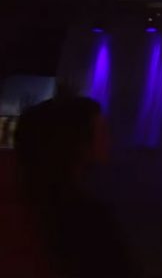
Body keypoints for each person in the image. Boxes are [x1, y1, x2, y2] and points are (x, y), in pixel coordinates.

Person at [13, 96, 140, 277]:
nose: (110, 138)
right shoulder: (86, 218)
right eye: (102, 131)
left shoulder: (30, 200)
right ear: (77, 142)